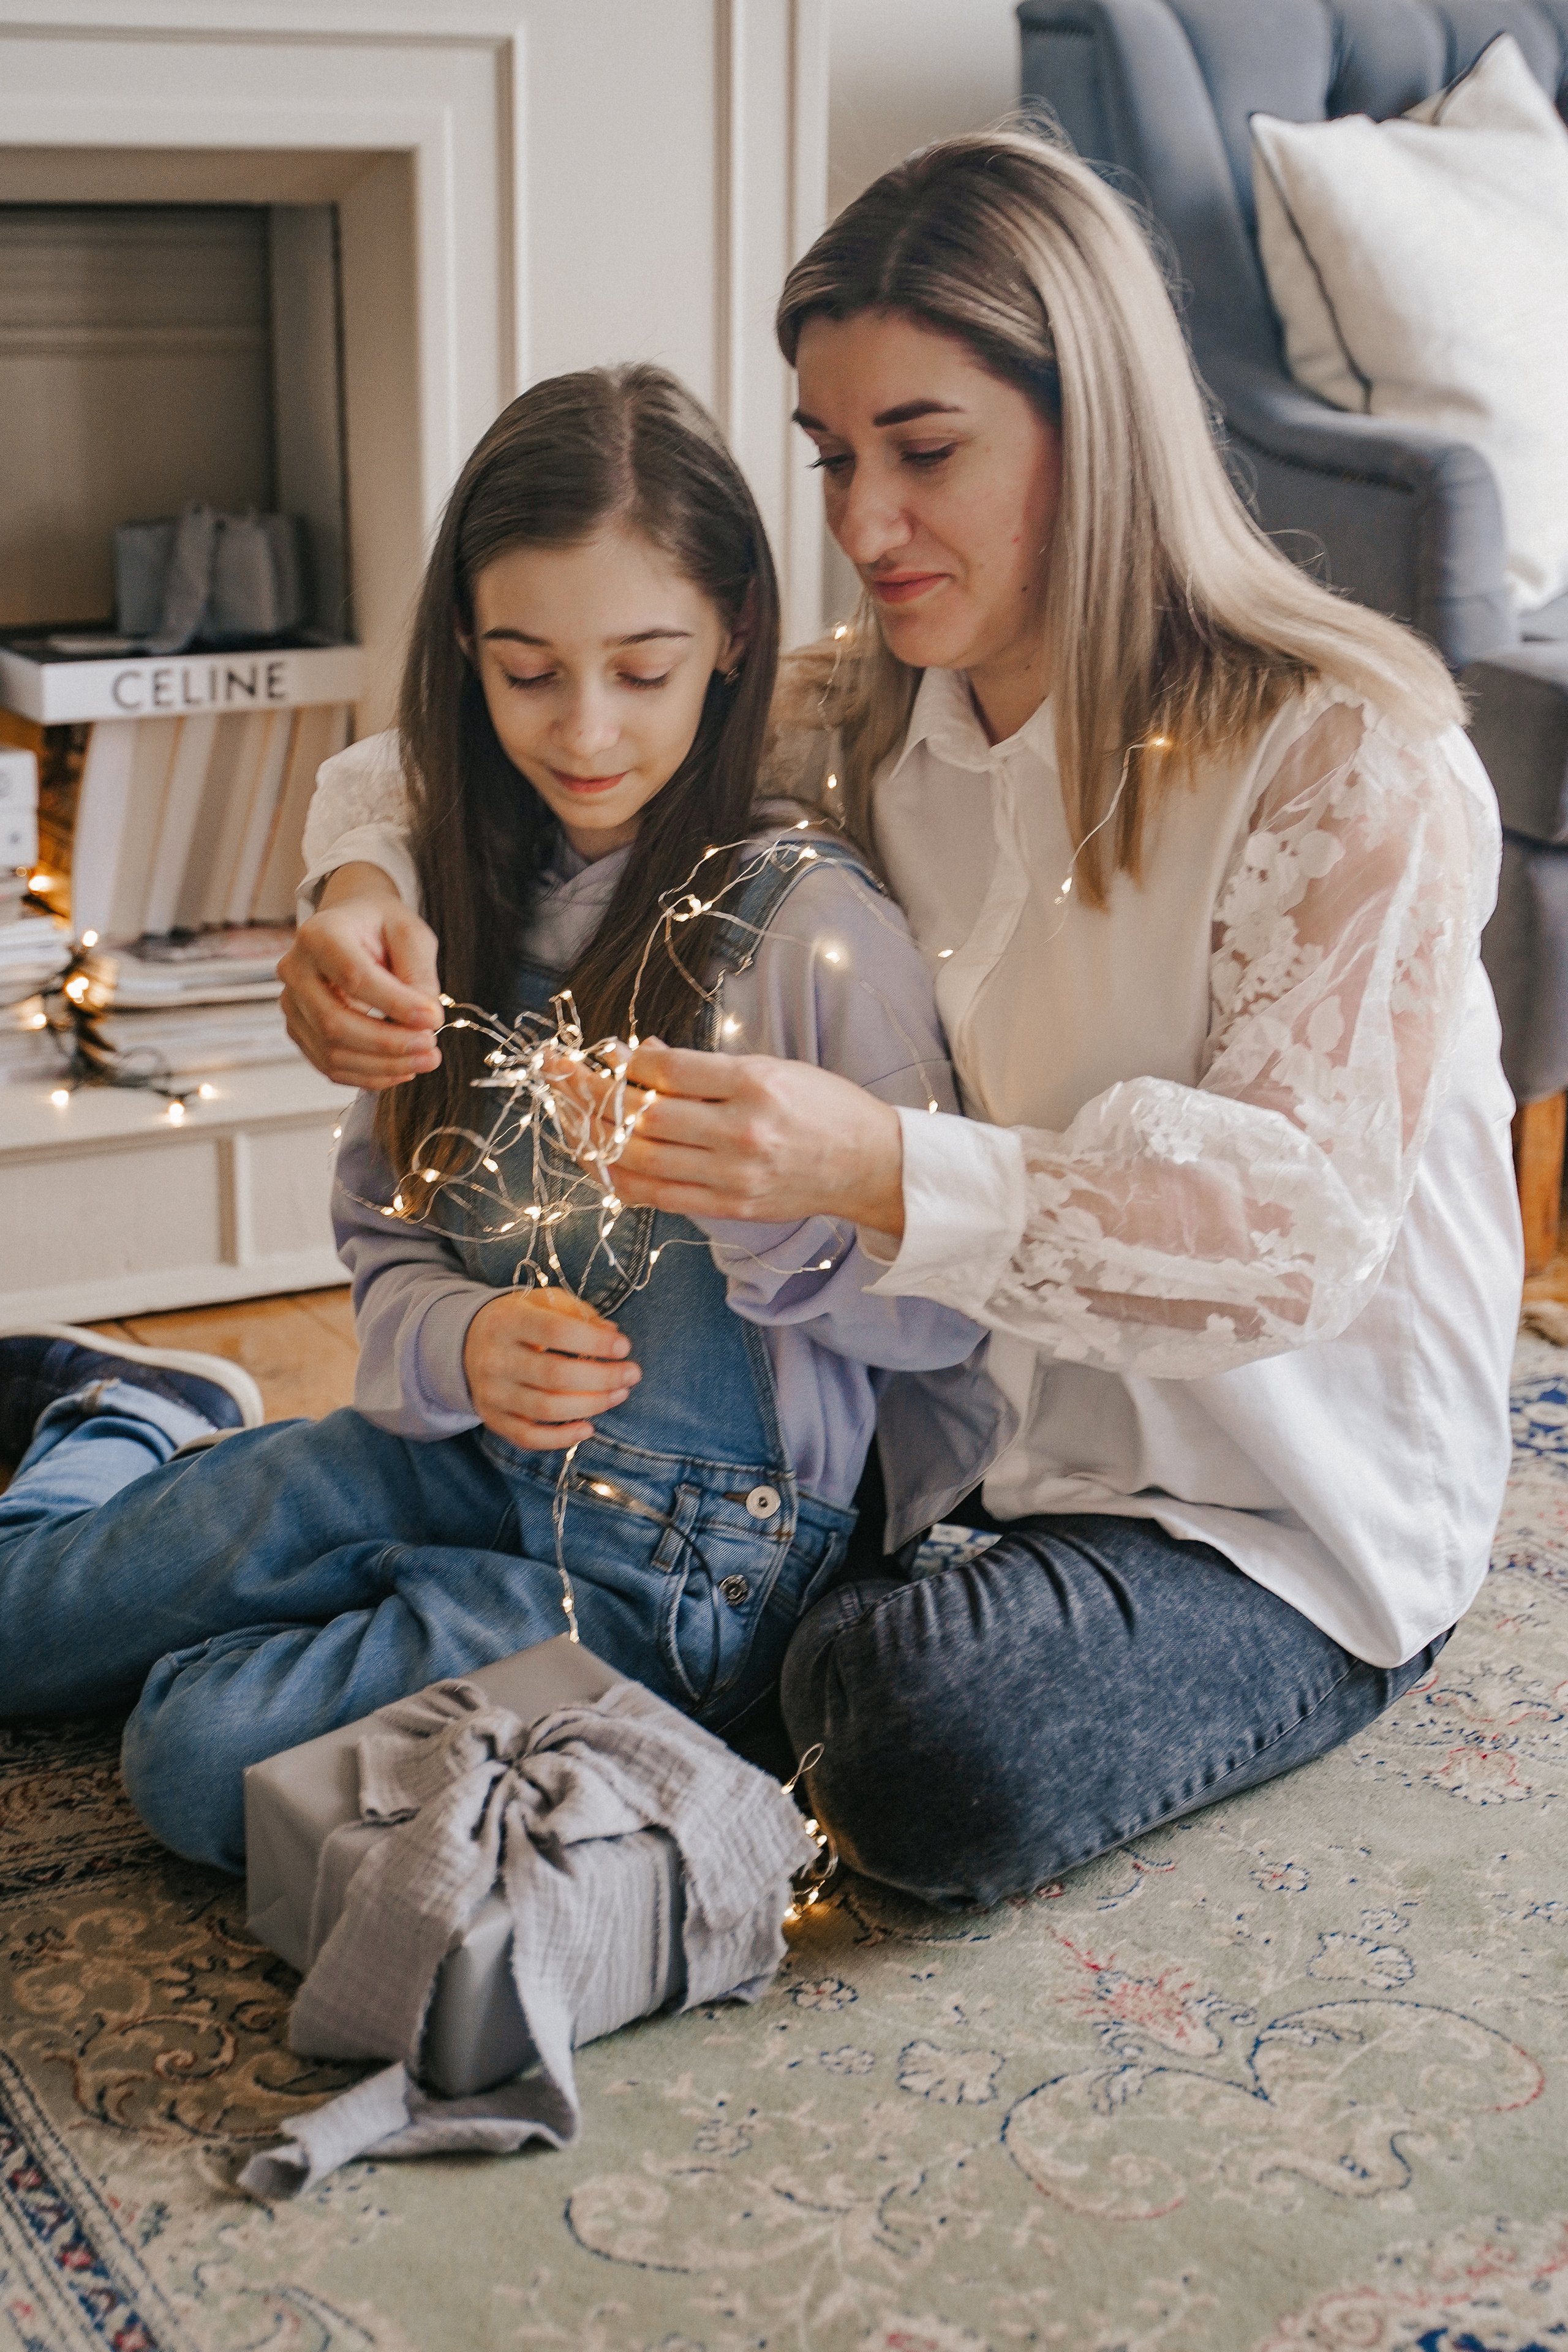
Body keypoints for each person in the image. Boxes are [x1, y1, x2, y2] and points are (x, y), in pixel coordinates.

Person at [276, 132, 1523, 1913]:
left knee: (920, 1739)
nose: (860, 529)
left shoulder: (1349, 763)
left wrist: (874, 1166)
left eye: (924, 454)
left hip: (1266, 1524)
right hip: (957, 1461)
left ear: (1091, 423)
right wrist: (359, 894)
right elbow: (531, 725)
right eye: (834, 458)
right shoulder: (871, 708)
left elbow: (1294, 1240)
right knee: (685, 1559)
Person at [0, 364, 979, 1875]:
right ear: (466, 650)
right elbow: (383, 1228)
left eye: (641, 672)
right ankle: (140, 1416)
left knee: (195, 1765)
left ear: (730, 635)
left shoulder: (805, 933)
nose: (585, 731)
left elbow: (950, 1336)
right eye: (528, 673)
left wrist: (783, 1209)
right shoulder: (441, 896)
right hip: (442, 1455)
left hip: (662, 1577)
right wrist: (457, 1338)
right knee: (20, 1632)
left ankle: (254, 1546)